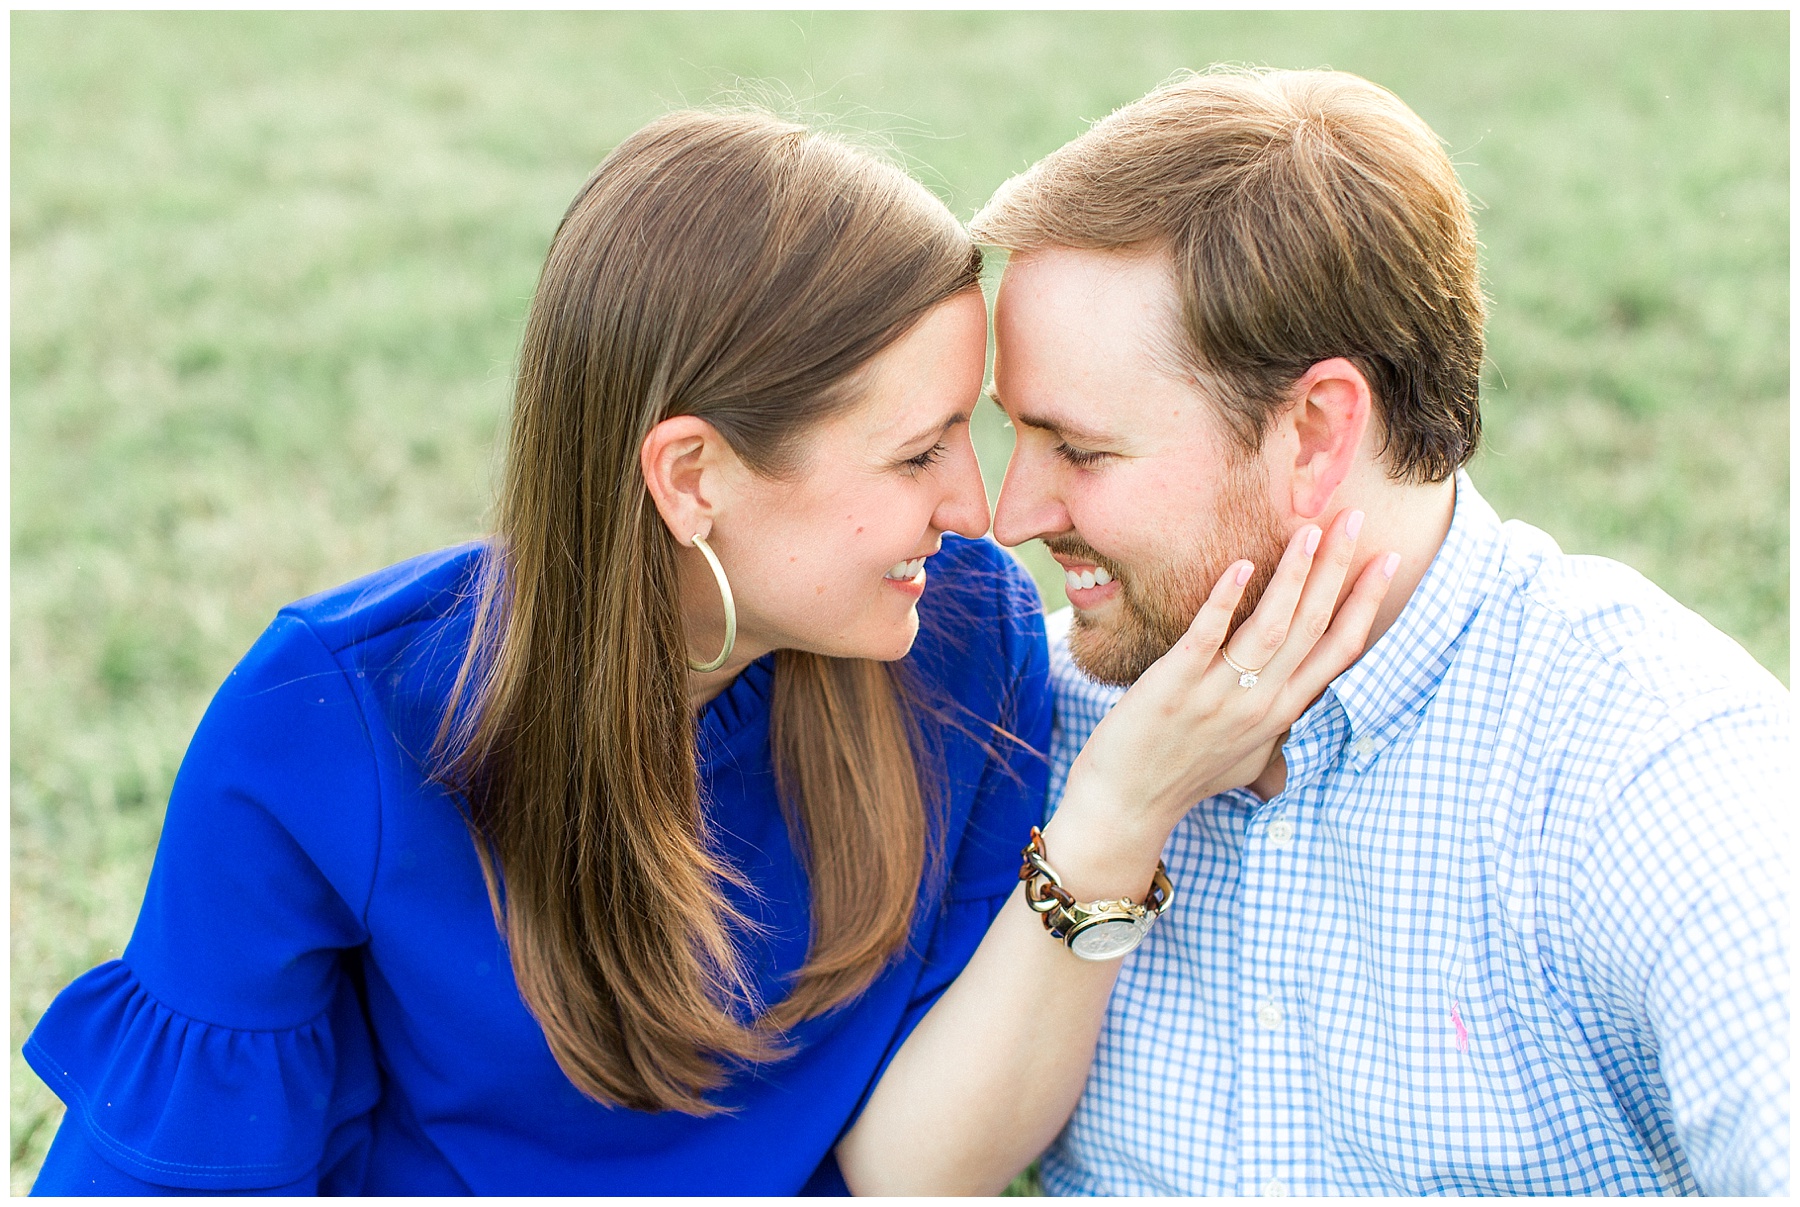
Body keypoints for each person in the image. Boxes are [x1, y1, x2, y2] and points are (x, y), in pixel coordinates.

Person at [25, 108, 1394, 1195]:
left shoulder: (960, 643)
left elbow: (925, 1171)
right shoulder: (328, 722)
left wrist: (1122, 811)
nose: (979, 508)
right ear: (693, 478)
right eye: (917, 451)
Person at [974, 68, 1790, 1196]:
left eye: (1080, 450)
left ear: (1315, 430)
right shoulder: (1038, 715)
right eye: (1012, 432)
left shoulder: (1649, 767)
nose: (1011, 514)